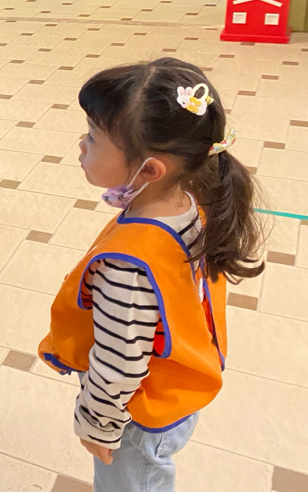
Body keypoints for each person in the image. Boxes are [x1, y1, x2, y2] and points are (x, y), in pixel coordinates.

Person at [38, 58, 264, 491]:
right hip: (173, 388)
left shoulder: (129, 266)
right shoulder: (190, 204)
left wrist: (97, 424)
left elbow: (120, 361)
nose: (82, 146)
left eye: (93, 137)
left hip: (137, 416)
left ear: (150, 170)